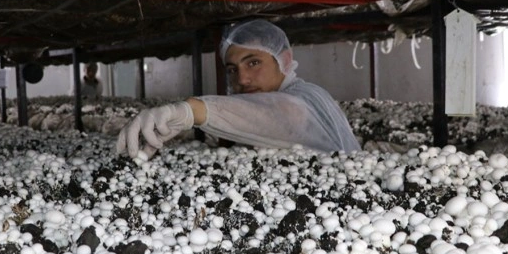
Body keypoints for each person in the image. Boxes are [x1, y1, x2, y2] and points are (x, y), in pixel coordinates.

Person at [116, 19, 361, 159]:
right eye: (232, 69)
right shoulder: (274, 99)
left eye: (253, 63)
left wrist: (191, 111)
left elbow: (284, 115)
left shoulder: (307, 97)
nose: (242, 79)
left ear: (284, 60)